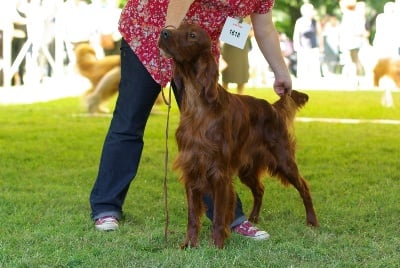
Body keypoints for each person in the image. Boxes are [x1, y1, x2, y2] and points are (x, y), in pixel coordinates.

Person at [89, 0, 292, 240]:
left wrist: (281, 71)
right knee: (129, 123)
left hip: (196, 51)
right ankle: (106, 207)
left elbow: (265, 28)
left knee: (210, 133)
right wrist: (170, 37)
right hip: (150, 31)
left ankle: (231, 217)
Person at [292, 2, 321, 79]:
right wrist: (297, 46)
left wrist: (321, 47)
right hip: (302, 47)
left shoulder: (315, 22)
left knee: (314, 65)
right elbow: (296, 34)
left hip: (314, 47)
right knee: (303, 66)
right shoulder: (299, 22)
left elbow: (319, 34)